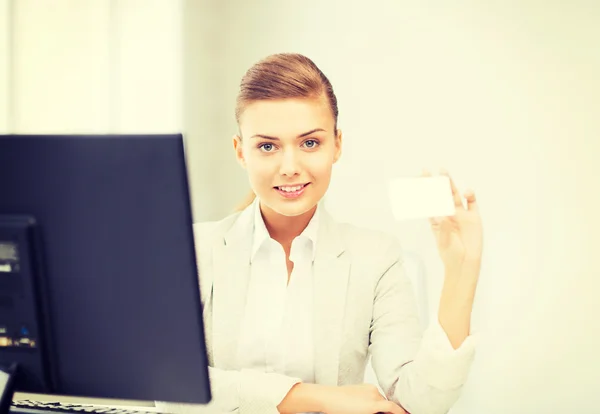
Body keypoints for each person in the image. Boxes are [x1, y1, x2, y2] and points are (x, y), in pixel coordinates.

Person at [187, 53, 482, 414]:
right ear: (240, 151)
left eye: (310, 143)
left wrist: (461, 270)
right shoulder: (194, 251)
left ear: (337, 144)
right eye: (267, 146)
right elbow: (173, 392)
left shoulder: (375, 259)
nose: (290, 168)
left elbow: (419, 403)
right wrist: (314, 398)